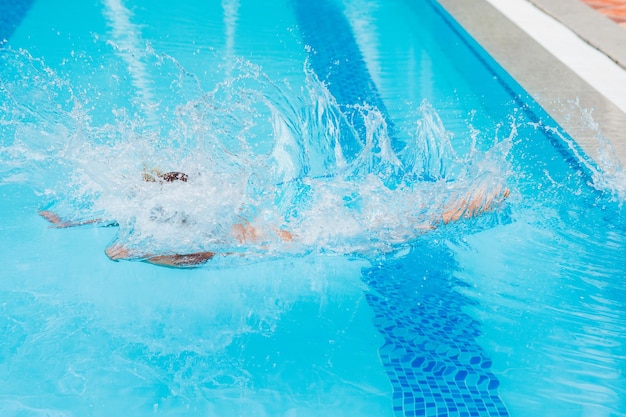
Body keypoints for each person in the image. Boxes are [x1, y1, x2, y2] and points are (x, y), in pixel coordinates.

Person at [39, 170, 510, 268]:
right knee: (396, 217)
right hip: (303, 228)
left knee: (396, 230)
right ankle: (472, 195)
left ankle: (480, 201)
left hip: (313, 240)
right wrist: (71, 223)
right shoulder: (169, 209)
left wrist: (135, 254)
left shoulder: (198, 230)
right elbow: (119, 212)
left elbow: (197, 258)